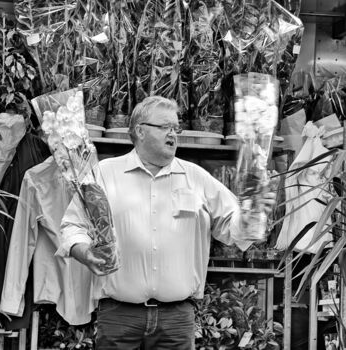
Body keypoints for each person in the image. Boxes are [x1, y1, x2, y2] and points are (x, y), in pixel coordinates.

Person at [57, 95, 276, 350]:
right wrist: (83, 252)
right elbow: (73, 226)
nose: (173, 134)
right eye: (165, 127)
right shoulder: (105, 174)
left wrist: (251, 216)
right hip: (119, 315)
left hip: (177, 320)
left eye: (176, 128)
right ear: (140, 130)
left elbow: (231, 228)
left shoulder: (195, 177)